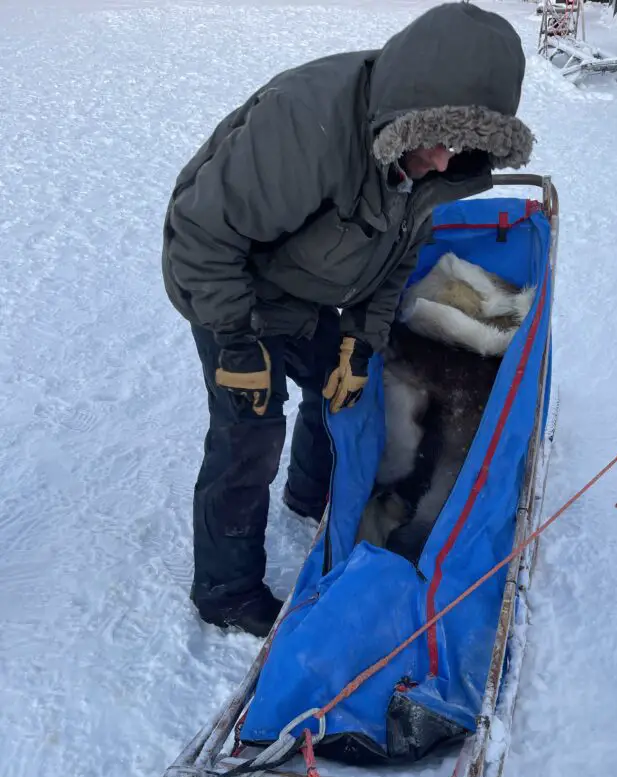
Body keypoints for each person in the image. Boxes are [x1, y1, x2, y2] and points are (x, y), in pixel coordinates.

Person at [162, 0, 534, 637]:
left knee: (344, 383)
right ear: (407, 111)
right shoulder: (306, 126)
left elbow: (397, 259)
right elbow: (202, 232)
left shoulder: (425, 161)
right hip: (229, 286)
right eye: (439, 139)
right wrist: (234, 343)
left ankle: (312, 498)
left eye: (463, 145)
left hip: (307, 289)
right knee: (249, 428)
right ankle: (224, 589)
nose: (447, 162)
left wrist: (361, 341)